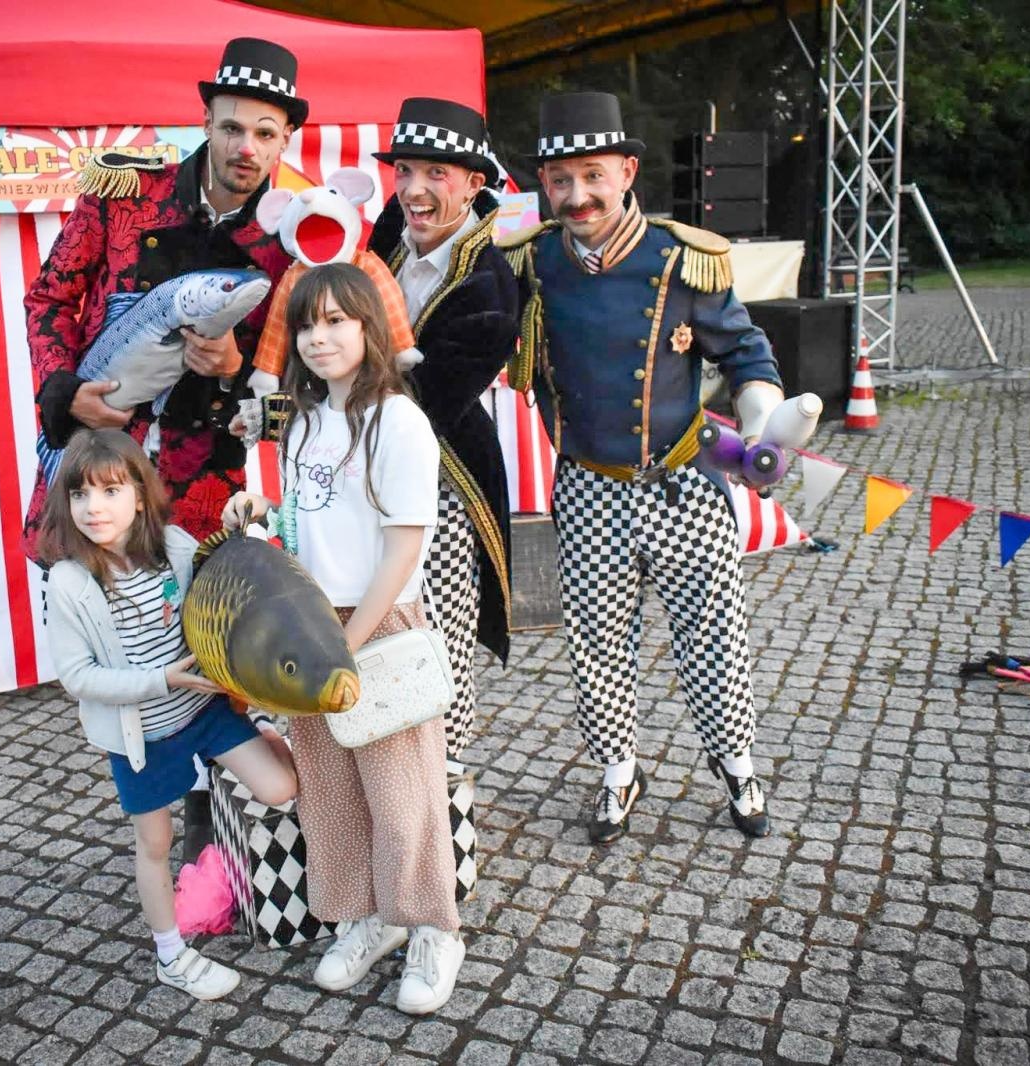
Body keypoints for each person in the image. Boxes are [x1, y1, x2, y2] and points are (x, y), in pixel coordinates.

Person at [24, 36, 304, 859]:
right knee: (122, 634)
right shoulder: (124, 192)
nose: (246, 149)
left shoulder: (299, 230)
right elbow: (50, 295)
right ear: (206, 123)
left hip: (203, 476)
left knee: (212, 636)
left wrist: (238, 372)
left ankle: (216, 825)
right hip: (100, 462)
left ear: (286, 141)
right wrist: (60, 392)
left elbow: (297, 391)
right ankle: (156, 797)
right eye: (231, 128)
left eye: (266, 133)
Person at [501, 92, 785, 844]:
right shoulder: (533, 262)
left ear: (627, 170)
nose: (576, 196)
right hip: (588, 485)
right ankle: (619, 771)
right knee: (596, 644)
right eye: (559, 180)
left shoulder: (683, 255)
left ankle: (738, 763)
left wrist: (760, 421)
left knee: (714, 634)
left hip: (687, 481)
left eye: (592, 175)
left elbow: (746, 352)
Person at [222, 263, 463, 1015]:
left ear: (369, 327)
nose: (319, 338)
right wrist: (261, 511)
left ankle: (431, 927)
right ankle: (366, 917)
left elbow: (401, 547)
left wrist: (349, 643)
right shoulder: (303, 419)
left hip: (376, 626)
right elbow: (311, 523)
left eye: (336, 321)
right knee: (329, 790)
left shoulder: (398, 419)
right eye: (306, 323)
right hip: (311, 623)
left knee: (402, 793)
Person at [39, 428, 297, 1001]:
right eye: (80, 495)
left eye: (109, 492)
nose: (94, 508)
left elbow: (233, 577)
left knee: (281, 787)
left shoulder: (177, 548)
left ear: (139, 494)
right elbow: (76, 676)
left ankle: (260, 734)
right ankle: (171, 955)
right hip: (142, 737)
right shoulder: (70, 581)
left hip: (203, 711)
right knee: (154, 844)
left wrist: (253, 514)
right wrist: (162, 678)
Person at [368, 97, 520, 760]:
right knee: (372, 621)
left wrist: (316, 412)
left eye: (437, 173)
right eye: (405, 169)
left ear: (474, 184)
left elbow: (420, 408)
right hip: (366, 461)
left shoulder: (491, 284)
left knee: (439, 633)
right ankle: (379, 757)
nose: (414, 189)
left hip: (444, 474)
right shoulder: (387, 231)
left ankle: (447, 780)